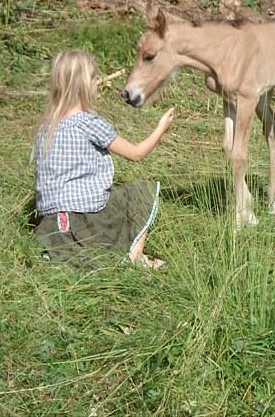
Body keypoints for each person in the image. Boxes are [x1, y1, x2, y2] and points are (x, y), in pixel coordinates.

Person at [32, 49, 174, 269]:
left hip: (50, 227)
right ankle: (132, 257)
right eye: (94, 77)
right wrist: (161, 128)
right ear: (82, 84)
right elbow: (136, 154)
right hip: (82, 220)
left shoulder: (45, 128)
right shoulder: (89, 123)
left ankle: (63, 254)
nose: (97, 82)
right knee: (142, 192)